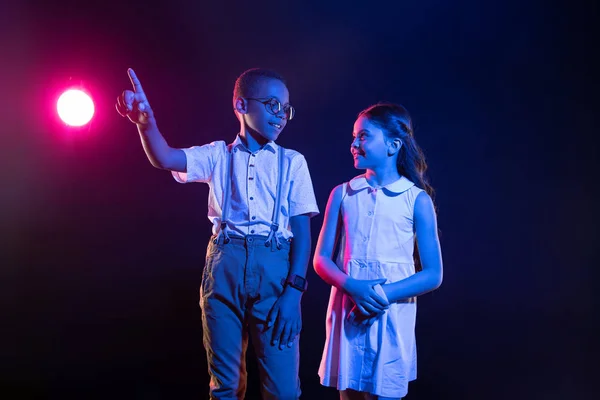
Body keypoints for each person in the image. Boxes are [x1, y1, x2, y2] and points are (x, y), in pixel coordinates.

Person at [116, 67, 319, 399]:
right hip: (225, 264)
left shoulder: (292, 162)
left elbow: (302, 232)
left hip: (275, 272)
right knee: (225, 386)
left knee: (282, 390)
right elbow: (165, 158)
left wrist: (294, 293)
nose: (281, 115)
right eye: (271, 105)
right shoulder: (217, 155)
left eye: (286, 108)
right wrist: (145, 123)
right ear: (240, 105)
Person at [313, 103, 443, 399]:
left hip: (391, 315)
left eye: (363, 136)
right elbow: (321, 259)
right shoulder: (343, 193)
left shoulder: (416, 200)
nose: (354, 144)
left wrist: (379, 296)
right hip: (348, 312)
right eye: (354, 136)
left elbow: (434, 274)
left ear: (393, 145)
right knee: (349, 393)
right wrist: (353, 287)